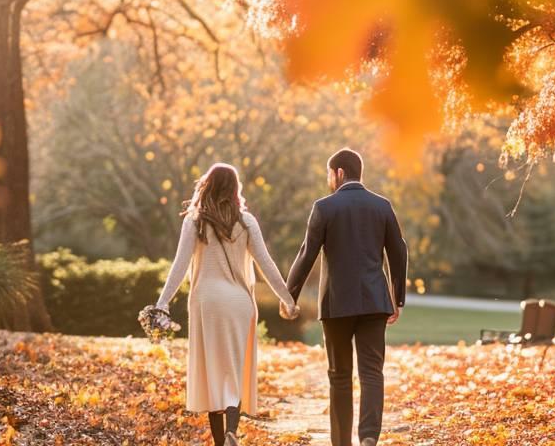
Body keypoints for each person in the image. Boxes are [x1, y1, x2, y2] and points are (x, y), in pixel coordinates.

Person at [156, 163, 299, 446]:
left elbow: (180, 265)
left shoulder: (195, 221)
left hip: (206, 302)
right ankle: (233, 429)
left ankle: (221, 442)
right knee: (234, 369)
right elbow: (265, 264)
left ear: (207, 186)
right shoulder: (247, 222)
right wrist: (288, 300)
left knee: (212, 370)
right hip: (239, 303)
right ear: (235, 189)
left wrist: (162, 303)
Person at [287, 148, 408, 446]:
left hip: (336, 303)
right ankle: (368, 437)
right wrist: (398, 297)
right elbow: (399, 251)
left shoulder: (324, 207)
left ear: (339, 173)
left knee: (339, 375)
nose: (329, 180)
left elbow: (307, 254)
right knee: (371, 372)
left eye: (330, 174)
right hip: (374, 302)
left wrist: (288, 295)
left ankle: (342, 442)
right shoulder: (382, 206)